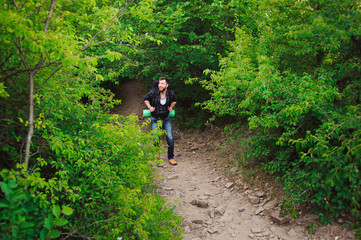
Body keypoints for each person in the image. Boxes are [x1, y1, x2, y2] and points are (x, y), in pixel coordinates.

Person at [144, 77, 177, 165]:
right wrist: (149, 107)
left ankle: (171, 158)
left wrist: (171, 107)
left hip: (166, 119)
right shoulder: (153, 93)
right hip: (155, 119)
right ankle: (156, 155)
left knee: (170, 139)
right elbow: (145, 99)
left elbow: (174, 101)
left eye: (162, 83)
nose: (160, 85)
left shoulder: (170, 94)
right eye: (159, 83)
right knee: (156, 138)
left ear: (166, 85)